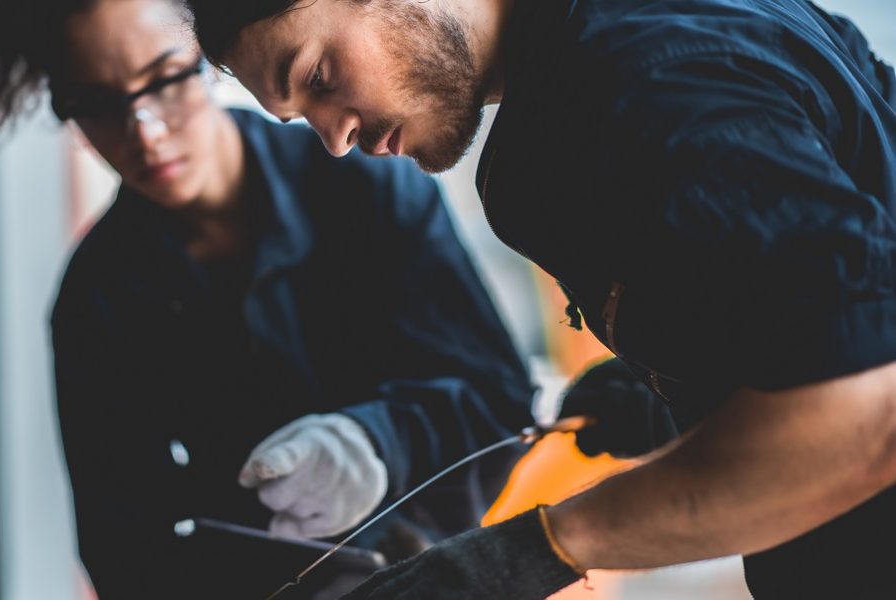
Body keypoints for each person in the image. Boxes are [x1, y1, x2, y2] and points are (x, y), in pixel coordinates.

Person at [186, 0, 896, 597]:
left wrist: (531, 551)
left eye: (316, 75)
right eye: (300, 116)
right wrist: (682, 386)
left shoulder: (644, 86)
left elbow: (868, 410)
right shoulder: (636, 46)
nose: (334, 138)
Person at [0, 0, 538, 597]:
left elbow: (498, 403)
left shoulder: (364, 184)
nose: (146, 132)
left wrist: (375, 443)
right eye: (100, 106)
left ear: (209, 58)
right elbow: (123, 549)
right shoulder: (99, 300)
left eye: (162, 80)